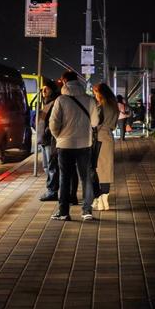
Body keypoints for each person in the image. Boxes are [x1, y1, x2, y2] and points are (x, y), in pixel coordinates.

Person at [48, 71, 99, 221]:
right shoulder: (89, 100)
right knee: (86, 178)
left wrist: (60, 137)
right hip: (84, 144)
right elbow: (95, 122)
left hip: (65, 145)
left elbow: (53, 124)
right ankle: (87, 211)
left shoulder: (61, 100)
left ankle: (64, 212)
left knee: (65, 178)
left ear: (64, 81)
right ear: (77, 81)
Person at [93, 84, 118, 210]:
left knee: (97, 169)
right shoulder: (114, 106)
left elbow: (95, 123)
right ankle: (105, 200)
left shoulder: (101, 106)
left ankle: (99, 200)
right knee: (106, 169)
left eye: (96, 93)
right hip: (109, 137)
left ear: (101, 93)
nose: (95, 96)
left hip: (99, 138)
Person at [36, 83, 61, 202]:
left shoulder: (55, 102)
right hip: (44, 139)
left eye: (46, 89)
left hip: (50, 140)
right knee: (47, 166)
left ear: (52, 90)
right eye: (42, 89)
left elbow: (54, 121)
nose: (43, 91)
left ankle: (52, 191)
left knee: (52, 166)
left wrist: (47, 131)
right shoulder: (45, 103)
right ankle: (51, 189)